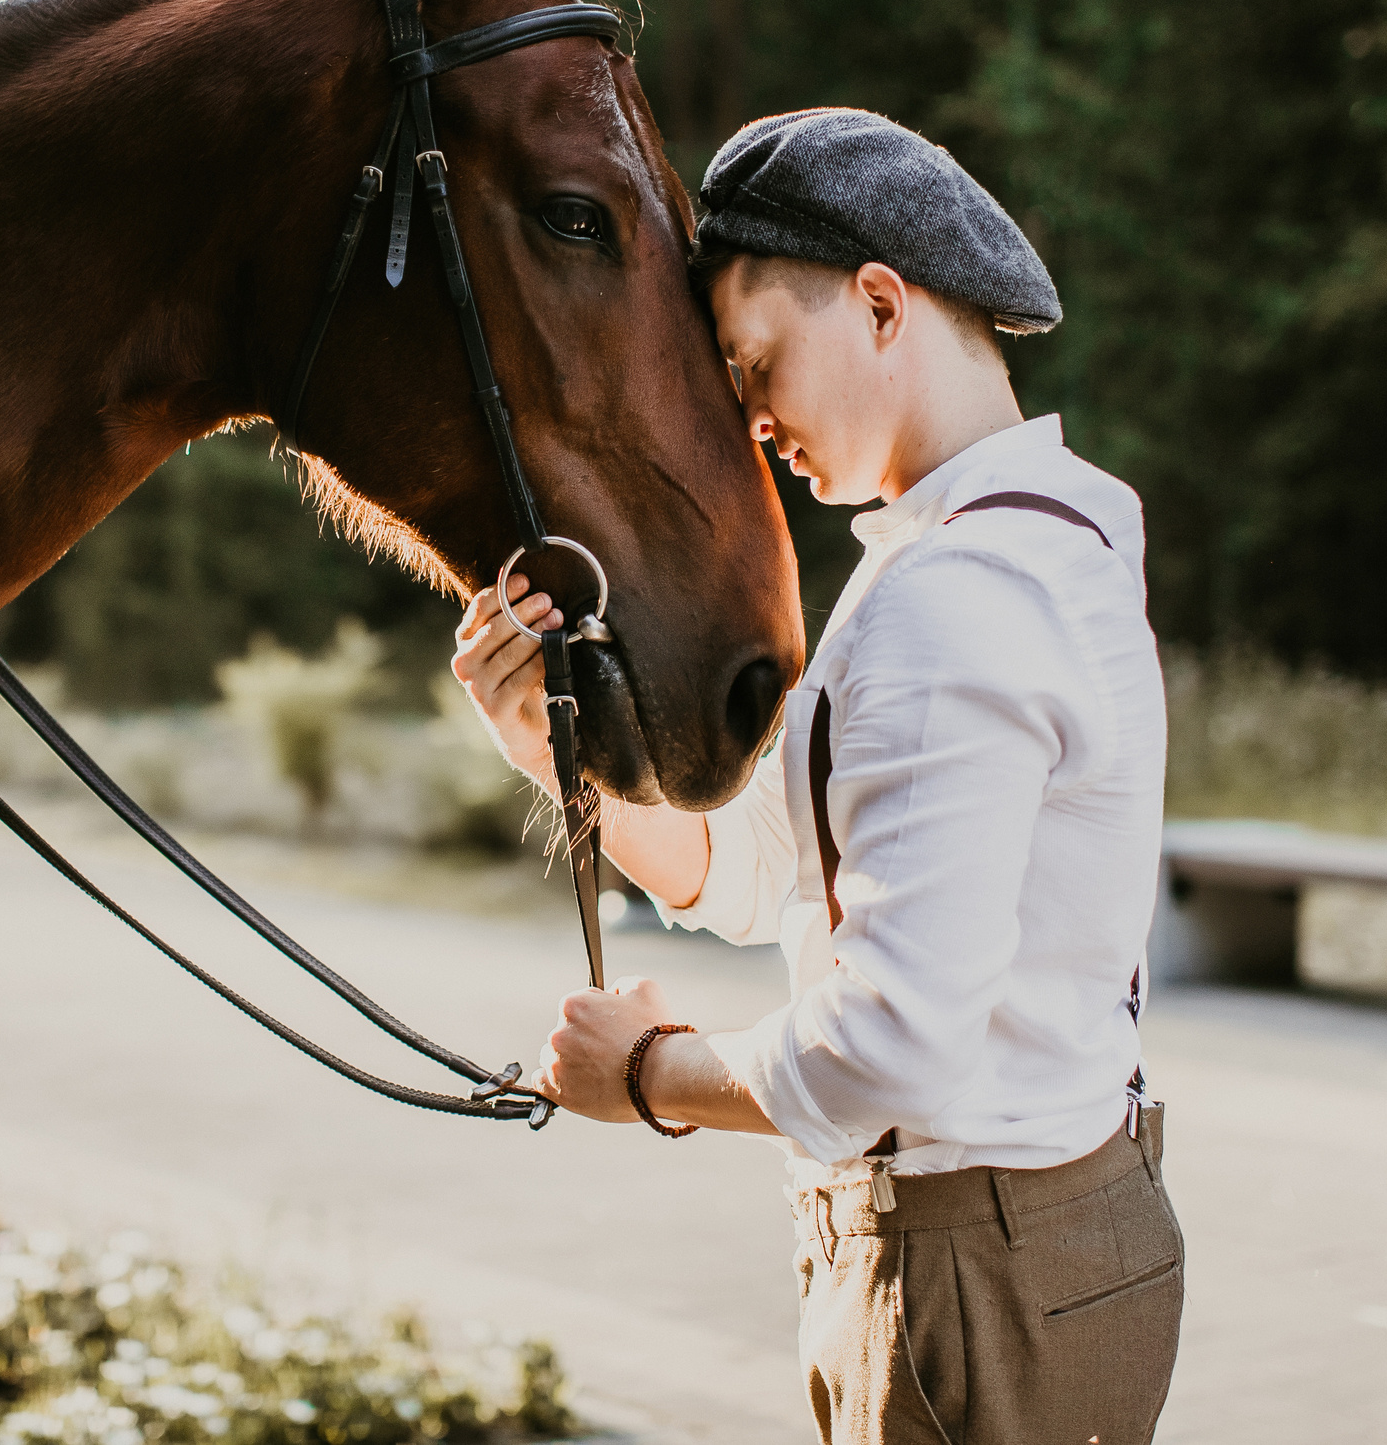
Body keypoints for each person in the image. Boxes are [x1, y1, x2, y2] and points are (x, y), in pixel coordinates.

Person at [452, 108, 1183, 1445]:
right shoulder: (1024, 540)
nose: (749, 418)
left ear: (884, 306)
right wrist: (543, 753)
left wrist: (648, 1072)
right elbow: (762, 874)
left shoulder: (948, 600)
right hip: (1042, 1232)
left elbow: (888, 1052)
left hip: (977, 1271)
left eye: (756, 362)